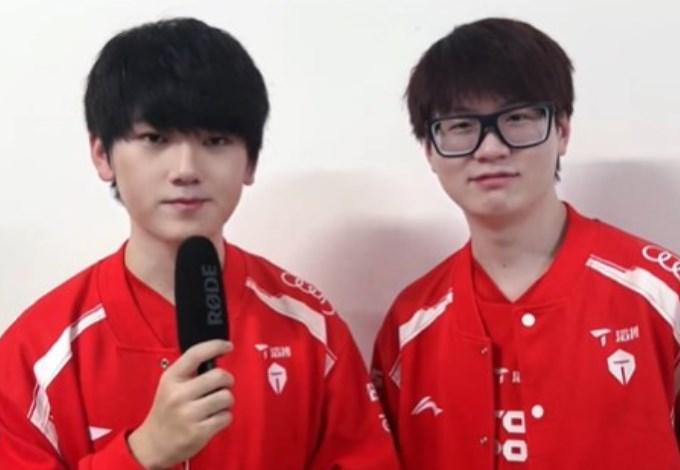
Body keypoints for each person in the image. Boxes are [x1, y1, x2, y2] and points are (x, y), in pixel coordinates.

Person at [0, 18, 399, 469]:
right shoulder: (37, 353)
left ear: (250, 161)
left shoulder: (310, 329)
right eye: (155, 139)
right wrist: (141, 453)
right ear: (102, 154)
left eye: (215, 140)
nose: (186, 169)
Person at [371, 17, 680, 469]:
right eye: (461, 125)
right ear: (430, 150)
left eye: (516, 118)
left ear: (562, 130)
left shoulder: (663, 296)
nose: (490, 148)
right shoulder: (409, 324)